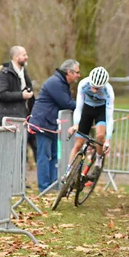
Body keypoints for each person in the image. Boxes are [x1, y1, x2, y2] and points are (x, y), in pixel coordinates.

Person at [28, 59, 80, 192]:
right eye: (77, 73)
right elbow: (67, 103)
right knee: (44, 156)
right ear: (69, 72)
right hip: (43, 124)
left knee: (55, 155)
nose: (79, 76)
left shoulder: (61, 82)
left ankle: (53, 185)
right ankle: (44, 187)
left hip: (52, 124)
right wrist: (84, 107)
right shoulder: (56, 83)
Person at [67, 67, 114, 180]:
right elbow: (78, 108)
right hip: (87, 109)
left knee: (100, 136)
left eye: (97, 88)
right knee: (78, 144)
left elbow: (109, 116)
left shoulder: (108, 91)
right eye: (93, 87)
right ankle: (68, 172)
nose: (94, 90)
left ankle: (98, 160)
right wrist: (76, 124)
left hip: (100, 111)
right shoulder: (83, 84)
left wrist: (108, 139)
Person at [0, 46, 37, 162]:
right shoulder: (5, 74)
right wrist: (21, 95)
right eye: (24, 55)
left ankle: (23, 177)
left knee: (30, 149)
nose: (26, 57)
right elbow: (1, 94)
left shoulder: (24, 73)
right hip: (10, 119)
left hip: (25, 118)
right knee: (13, 155)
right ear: (16, 57)